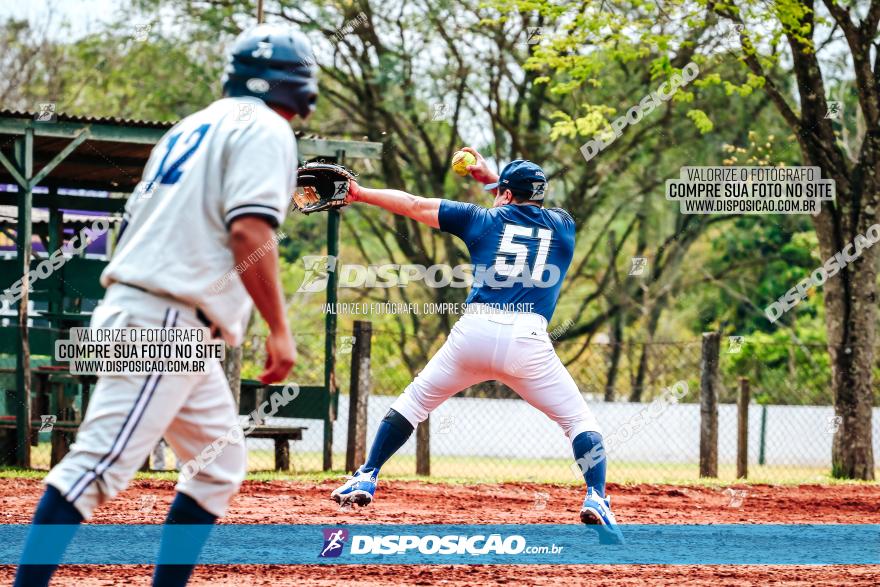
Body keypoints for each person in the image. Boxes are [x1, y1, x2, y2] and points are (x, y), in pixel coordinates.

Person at [14, 23, 314, 586]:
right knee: (97, 467)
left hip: (159, 314)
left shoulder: (192, 126)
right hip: (167, 321)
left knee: (217, 466)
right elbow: (249, 231)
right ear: (296, 86)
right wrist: (279, 328)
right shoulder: (269, 131)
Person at [331, 148, 623, 541]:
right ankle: (595, 497)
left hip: (475, 332)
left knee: (415, 402)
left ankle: (366, 476)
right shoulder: (564, 226)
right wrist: (490, 179)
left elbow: (415, 205)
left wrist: (360, 192)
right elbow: (520, 214)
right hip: (528, 342)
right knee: (578, 422)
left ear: (504, 193)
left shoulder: (479, 220)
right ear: (541, 195)